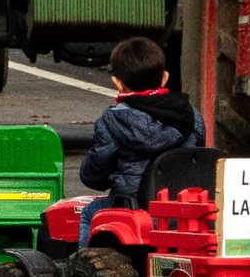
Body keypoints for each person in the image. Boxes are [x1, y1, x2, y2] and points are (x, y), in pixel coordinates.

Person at [77, 36, 205, 249]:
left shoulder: (113, 119)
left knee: (90, 212)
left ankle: (79, 265)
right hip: (186, 208)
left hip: (136, 205)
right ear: (164, 78)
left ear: (117, 82)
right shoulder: (192, 115)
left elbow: (95, 175)